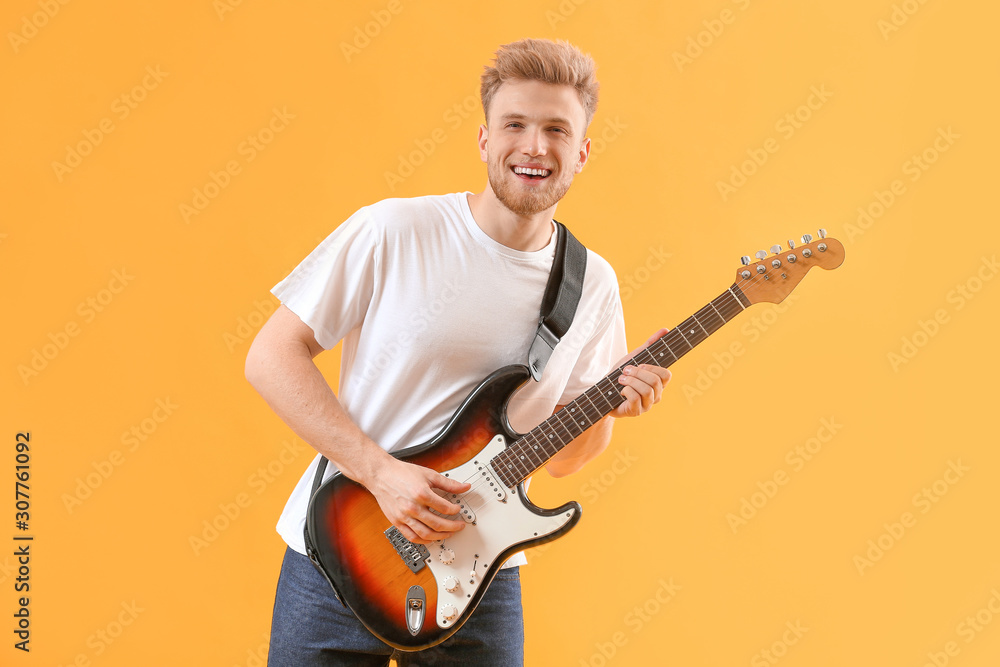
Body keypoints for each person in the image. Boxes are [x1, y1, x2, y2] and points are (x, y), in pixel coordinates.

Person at [245, 38, 671, 666]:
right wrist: (381, 473)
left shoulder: (592, 283)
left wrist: (611, 406)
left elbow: (563, 461)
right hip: (342, 553)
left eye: (556, 129)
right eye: (515, 125)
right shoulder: (393, 231)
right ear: (484, 139)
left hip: (482, 575)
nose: (534, 146)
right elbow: (270, 357)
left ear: (581, 152)